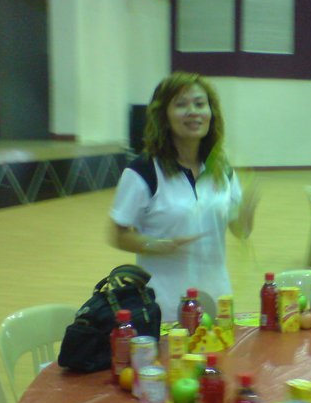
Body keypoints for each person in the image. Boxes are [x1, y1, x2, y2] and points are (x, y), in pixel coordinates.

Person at [108, 71, 259, 323]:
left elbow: (240, 230)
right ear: (164, 116)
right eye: (181, 105)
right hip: (164, 306)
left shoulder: (221, 168)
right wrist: (156, 244)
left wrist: (246, 214)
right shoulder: (143, 171)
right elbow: (117, 234)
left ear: (211, 113)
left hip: (216, 300)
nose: (193, 112)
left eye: (200, 104)